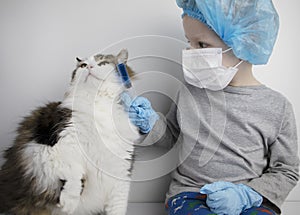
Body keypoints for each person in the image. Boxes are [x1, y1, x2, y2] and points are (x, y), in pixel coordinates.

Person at [120, 0, 299, 214]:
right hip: (190, 194)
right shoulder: (189, 92)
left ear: (243, 43)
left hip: (249, 199)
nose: (191, 52)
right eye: (189, 43)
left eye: (202, 45)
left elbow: (287, 170)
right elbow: (171, 136)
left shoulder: (277, 107)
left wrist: (245, 195)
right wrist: (150, 122)